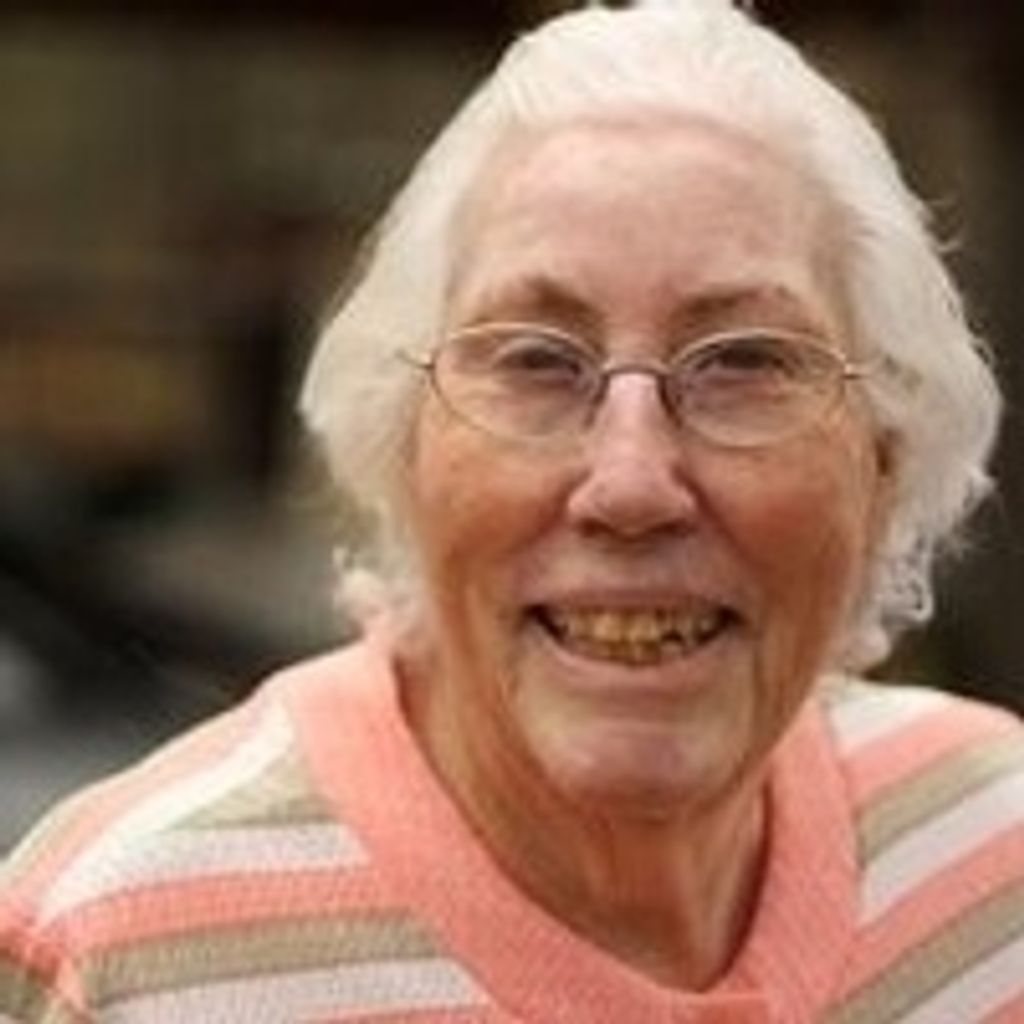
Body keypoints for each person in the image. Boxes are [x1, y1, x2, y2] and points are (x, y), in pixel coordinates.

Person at [2, 2, 1021, 1020]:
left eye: (745, 362)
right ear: (403, 446)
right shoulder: (118, 959)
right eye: (535, 361)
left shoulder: (992, 855)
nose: (630, 484)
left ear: (885, 455)